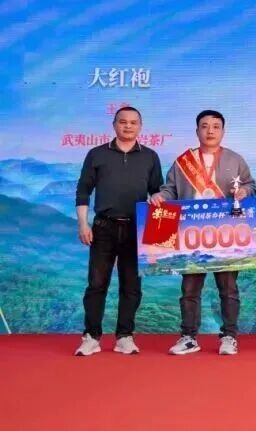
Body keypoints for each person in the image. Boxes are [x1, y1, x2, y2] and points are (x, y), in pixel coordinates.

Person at [152, 110, 256, 356]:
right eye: (205, 126)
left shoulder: (235, 159)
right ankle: (189, 337)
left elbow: (251, 185)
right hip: (191, 234)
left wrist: (244, 192)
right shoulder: (183, 162)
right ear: (197, 130)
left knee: (228, 289)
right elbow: (170, 190)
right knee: (189, 290)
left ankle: (229, 336)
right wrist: (160, 197)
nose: (210, 131)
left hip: (226, 233)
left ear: (223, 131)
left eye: (216, 126)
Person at [74, 106, 164, 356]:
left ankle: (125, 336)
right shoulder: (97, 154)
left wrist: (158, 198)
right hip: (103, 227)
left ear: (140, 126)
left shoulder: (150, 156)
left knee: (131, 285)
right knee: (96, 284)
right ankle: (91, 336)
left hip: (137, 228)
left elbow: (157, 190)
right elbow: (83, 191)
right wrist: (83, 223)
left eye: (133, 122)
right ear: (114, 125)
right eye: (123, 122)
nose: (128, 126)